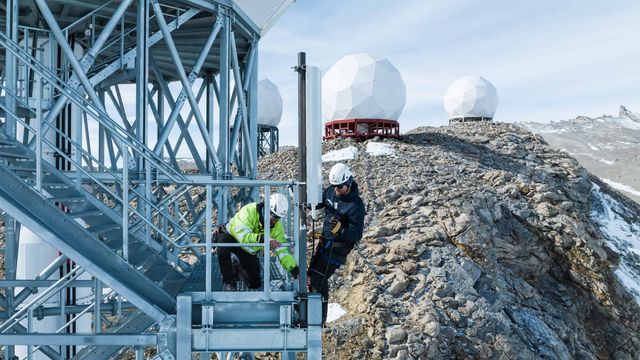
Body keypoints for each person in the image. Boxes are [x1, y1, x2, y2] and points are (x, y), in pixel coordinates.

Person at [309, 163, 365, 324]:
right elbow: (318, 202)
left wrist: (340, 230)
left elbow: (356, 235)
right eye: (334, 186)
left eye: (340, 187)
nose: (336, 190)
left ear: (348, 183)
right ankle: (313, 315)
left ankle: (319, 320)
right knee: (311, 276)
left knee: (318, 278)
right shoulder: (331, 192)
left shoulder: (356, 206)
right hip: (325, 241)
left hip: (339, 248)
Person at [216, 193, 299, 291]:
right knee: (222, 245)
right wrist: (264, 239)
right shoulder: (249, 211)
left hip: (247, 248)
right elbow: (242, 235)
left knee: (254, 283)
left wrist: (295, 271)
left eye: (278, 218)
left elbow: (282, 252)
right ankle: (229, 282)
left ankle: (236, 267)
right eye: (274, 216)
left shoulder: (277, 227)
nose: (275, 221)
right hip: (231, 236)